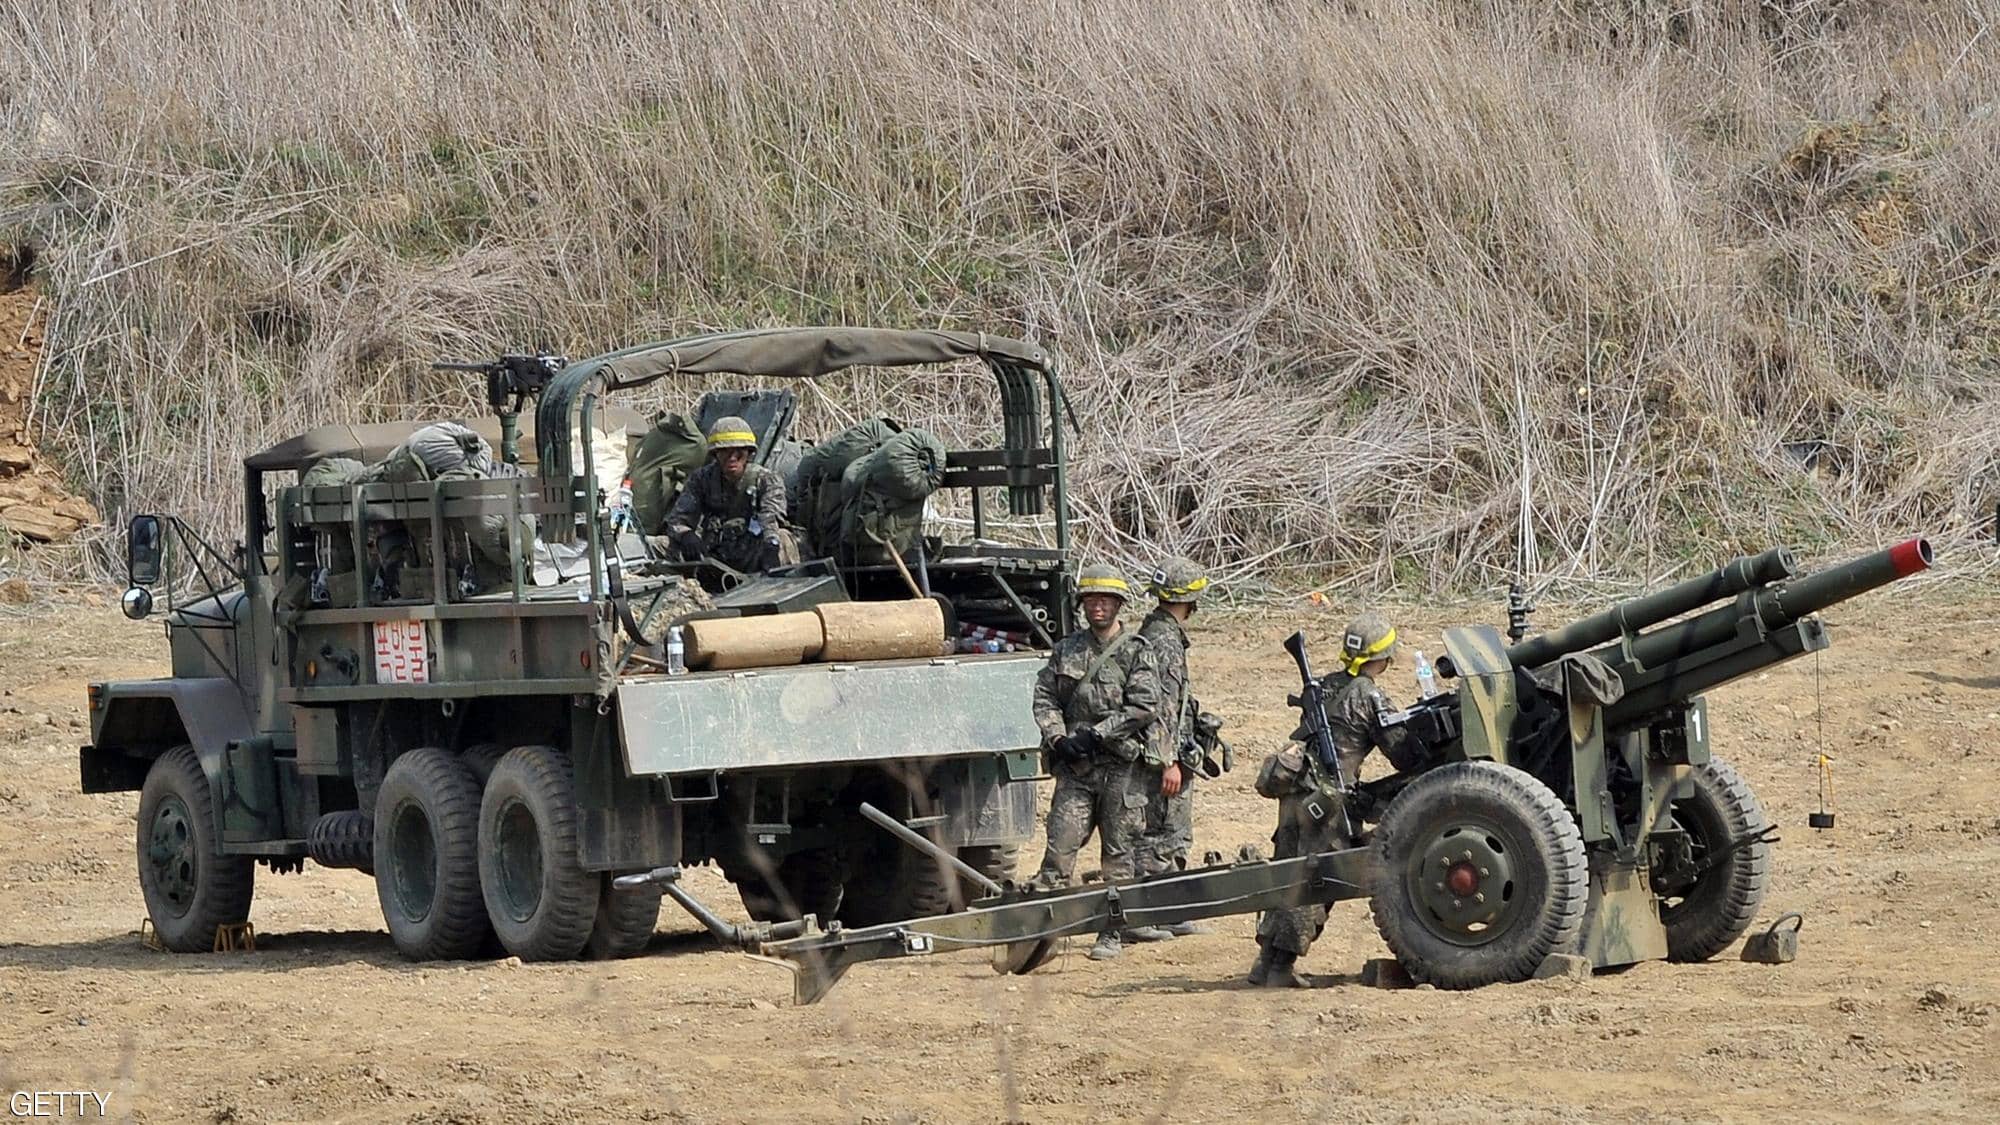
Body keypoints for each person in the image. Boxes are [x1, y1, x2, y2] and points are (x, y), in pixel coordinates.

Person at [1248, 611, 1420, 987]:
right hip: (1327, 801)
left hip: (1296, 792)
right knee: (1317, 879)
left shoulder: (1324, 685)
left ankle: (1265, 961)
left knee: (1287, 869)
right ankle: (1281, 969)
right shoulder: (1369, 695)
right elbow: (1402, 753)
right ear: (1383, 657)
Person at [1029, 564, 1166, 961]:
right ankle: (1044, 934)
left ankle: (1113, 931)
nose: (1097, 607)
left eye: (1105, 600)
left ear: (1119, 604)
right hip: (1076, 770)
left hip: (1120, 770)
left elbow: (1144, 707)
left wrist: (1098, 734)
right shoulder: (1066, 649)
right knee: (1060, 848)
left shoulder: (1137, 651)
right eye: (1091, 600)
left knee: (1119, 854)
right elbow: (1045, 697)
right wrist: (1058, 736)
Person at [1136, 557, 1208, 936]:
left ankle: (1167, 910)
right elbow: (1162, 706)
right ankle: (1146, 913)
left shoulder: (1158, 632)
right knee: (1160, 833)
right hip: (1161, 756)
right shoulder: (1164, 640)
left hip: (1164, 751)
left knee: (1167, 831)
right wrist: (1168, 761)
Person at [649, 416, 798, 573]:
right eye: (724, 451)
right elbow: (678, 519)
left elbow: (771, 517)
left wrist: (770, 544)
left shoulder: (766, 479)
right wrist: (687, 535)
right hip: (713, 553)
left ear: (748, 452)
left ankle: (777, 586)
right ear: (715, 454)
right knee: (658, 544)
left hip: (752, 553)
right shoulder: (701, 479)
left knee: (782, 539)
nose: (732, 457)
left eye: (738, 451)